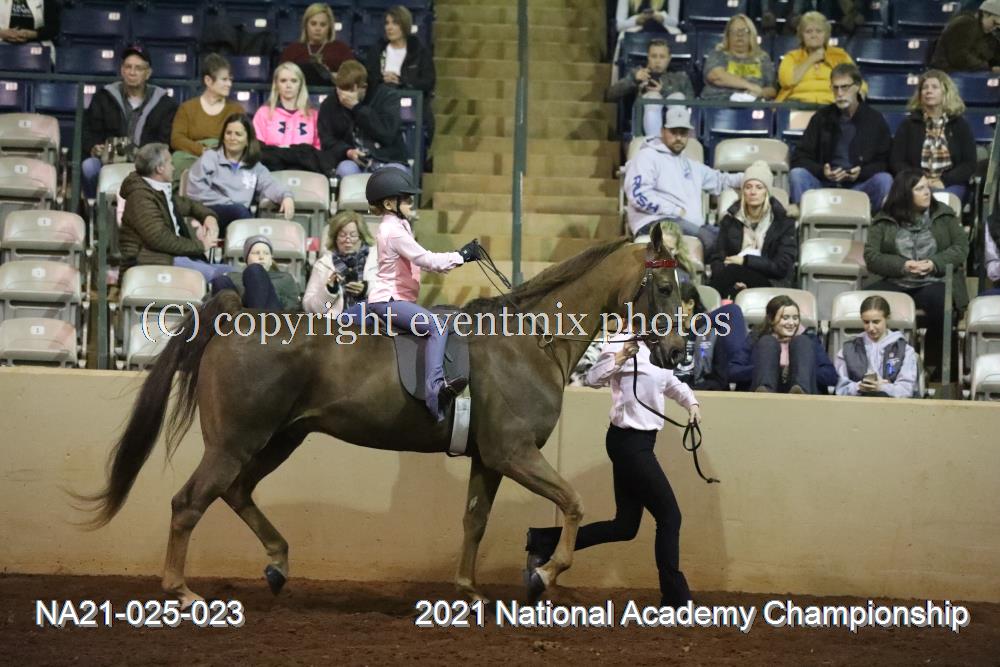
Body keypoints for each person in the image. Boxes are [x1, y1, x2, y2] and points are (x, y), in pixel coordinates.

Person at [524, 326, 701, 609]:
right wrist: (620, 357)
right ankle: (675, 599)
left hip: (641, 444)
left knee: (625, 526)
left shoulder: (658, 344)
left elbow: (669, 382)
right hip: (628, 443)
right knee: (670, 517)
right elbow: (593, 378)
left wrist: (691, 403)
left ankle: (544, 541)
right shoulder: (620, 340)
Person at [364, 168, 479, 421]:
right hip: (389, 302)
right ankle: (435, 391)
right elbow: (425, 259)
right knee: (438, 326)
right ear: (389, 204)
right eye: (405, 198)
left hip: (394, 300)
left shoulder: (399, 225)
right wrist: (461, 256)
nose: (410, 202)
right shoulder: (393, 231)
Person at [864, 170, 969, 380]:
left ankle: (935, 366)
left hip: (933, 280)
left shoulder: (944, 215)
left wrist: (933, 263)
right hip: (896, 280)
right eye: (919, 188)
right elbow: (872, 256)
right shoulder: (884, 219)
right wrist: (902, 265)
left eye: (927, 187)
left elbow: (961, 247)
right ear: (905, 193)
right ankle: (877, 364)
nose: (927, 192)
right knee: (868, 302)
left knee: (942, 303)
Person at [624, 104, 743, 255]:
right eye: (674, 132)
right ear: (662, 131)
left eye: (683, 133)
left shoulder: (691, 165)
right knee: (711, 241)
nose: (679, 138)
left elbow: (721, 180)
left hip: (689, 225)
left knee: (732, 238)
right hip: (656, 222)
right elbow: (638, 195)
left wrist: (750, 177)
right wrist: (674, 210)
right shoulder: (647, 156)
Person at [788, 63, 893, 213]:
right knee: (797, 175)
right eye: (835, 88)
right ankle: (803, 222)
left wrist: (861, 173)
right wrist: (822, 172)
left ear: (857, 86)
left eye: (845, 87)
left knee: (884, 180)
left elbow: (884, 162)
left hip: (859, 186)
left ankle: (875, 223)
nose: (839, 93)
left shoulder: (875, 120)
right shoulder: (821, 118)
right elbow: (800, 157)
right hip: (824, 184)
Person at [118, 143, 227, 283]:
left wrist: (208, 217)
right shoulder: (140, 198)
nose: (173, 168)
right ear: (160, 168)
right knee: (223, 278)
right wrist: (201, 246)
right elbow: (161, 239)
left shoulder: (156, 190)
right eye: (170, 163)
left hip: (172, 257)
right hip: (154, 261)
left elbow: (188, 205)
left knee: (233, 273)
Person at [81, 45, 178, 199]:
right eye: (128, 67)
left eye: (138, 68)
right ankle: (95, 210)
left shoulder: (164, 103)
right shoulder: (104, 97)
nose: (132, 72)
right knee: (89, 167)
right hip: (108, 161)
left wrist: (142, 155)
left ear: (148, 73)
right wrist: (94, 147)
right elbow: (89, 132)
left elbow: (164, 141)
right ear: (122, 70)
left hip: (147, 164)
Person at [185, 113, 295, 233]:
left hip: (240, 216)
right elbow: (195, 191)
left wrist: (286, 196)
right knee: (239, 211)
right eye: (228, 133)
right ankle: (253, 240)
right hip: (208, 213)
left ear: (248, 140)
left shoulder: (254, 166)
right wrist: (229, 203)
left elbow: (270, 184)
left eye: (238, 134)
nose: (232, 138)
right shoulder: (210, 158)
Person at [708, 161, 797, 299]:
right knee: (732, 280)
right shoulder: (730, 220)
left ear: (767, 191)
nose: (753, 192)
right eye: (748, 187)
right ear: (743, 191)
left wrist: (745, 261)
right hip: (732, 278)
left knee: (733, 271)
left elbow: (781, 267)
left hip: (770, 281)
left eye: (759, 187)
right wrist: (735, 278)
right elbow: (717, 258)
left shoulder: (784, 223)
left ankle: (701, 309)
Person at [890, 70, 978, 204]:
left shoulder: (960, 125)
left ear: (945, 92)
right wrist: (919, 180)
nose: (928, 91)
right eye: (925, 88)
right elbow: (897, 161)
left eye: (934, 87)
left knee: (942, 201)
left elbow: (969, 164)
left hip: (950, 184)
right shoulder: (908, 125)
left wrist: (943, 181)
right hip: (916, 184)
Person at [318, 60, 409, 178]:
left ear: (364, 87)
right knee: (346, 169)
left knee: (394, 175)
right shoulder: (330, 104)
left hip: (387, 159)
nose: (344, 96)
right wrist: (347, 151)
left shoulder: (387, 96)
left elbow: (387, 134)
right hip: (352, 160)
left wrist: (357, 108)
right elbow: (327, 141)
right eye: (341, 90)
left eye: (351, 91)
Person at [363, 5, 436, 145]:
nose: (389, 27)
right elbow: (368, 78)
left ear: (404, 25)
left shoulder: (419, 51)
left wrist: (401, 81)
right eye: (387, 23)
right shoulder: (377, 50)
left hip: (410, 106)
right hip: (382, 105)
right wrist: (382, 79)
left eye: (395, 23)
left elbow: (428, 82)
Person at [170, 53, 245, 181]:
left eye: (230, 80)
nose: (229, 84)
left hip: (224, 157)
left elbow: (244, 138)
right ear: (208, 81)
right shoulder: (187, 108)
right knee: (177, 159)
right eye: (224, 79)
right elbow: (177, 139)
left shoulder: (236, 109)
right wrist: (202, 150)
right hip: (194, 156)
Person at [254, 62, 338, 176]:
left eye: (294, 81)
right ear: (276, 84)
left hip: (306, 172)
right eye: (283, 81)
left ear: (300, 84)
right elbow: (258, 149)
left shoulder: (314, 115)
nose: (288, 85)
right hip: (272, 170)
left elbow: (318, 151)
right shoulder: (263, 113)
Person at [748, 295, 837, 394]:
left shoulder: (810, 339)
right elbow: (736, 371)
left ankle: (799, 392)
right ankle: (764, 394)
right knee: (767, 342)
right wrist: (767, 370)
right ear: (771, 319)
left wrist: (800, 370)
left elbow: (831, 376)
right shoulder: (755, 338)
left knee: (801, 341)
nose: (791, 323)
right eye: (785, 318)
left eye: (795, 318)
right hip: (761, 395)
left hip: (805, 396)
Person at [835, 295, 918, 398]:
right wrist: (859, 387)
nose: (871, 328)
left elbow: (907, 390)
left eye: (876, 322)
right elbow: (840, 389)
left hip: (893, 405)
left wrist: (883, 387)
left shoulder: (905, 350)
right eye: (866, 322)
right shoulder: (848, 350)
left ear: (887, 318)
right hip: (857, 404)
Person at [607, 39, 694, 137]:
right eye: (654, 56)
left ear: (669, 58)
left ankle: (676, 136)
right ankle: (654, 141)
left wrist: (663, 91)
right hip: (641, 126)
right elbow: (611, 95)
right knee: (653, 97)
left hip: (676, 126)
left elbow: (692, 104)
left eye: (662, 57)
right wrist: (634, 80)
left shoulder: (680, 78)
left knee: (677, 96)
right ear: (648, 57)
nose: (657, 61)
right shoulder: (638, 73)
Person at [303, 211, 378, 316]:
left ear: (362, 237)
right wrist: (329, 291)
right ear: (335, 238)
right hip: (335, 322)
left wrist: (367, 289)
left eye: (353, 235)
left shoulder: (378, 259)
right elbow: (311, 309)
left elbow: (394, 297)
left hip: (371, 320)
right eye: (342, 235)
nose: (347, 240)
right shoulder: (323, 264)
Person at [776, 11, 861, 104]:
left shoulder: (840, 56)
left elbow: (858, 83)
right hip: (796, 105)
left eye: (819, 31)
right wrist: (811, 59)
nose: (814, 35)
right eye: (808, 32)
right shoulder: (792, 57)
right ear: (801, 35)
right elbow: (787, 81)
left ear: (826, 34)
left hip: (832, 106)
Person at [211, 235, 300, 311]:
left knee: (254, 271)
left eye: (266, 253)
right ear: (246, 258)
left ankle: (255, 322)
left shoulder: (284, 277)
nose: (261, 257)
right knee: (220, 281)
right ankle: (230, 324)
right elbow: (209, 300)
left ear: (271, 260)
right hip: (239, 316)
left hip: (272, 316)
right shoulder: (233, 277)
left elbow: (293, 304)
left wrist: (263, 291)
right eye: (256, 253)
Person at [700, 14, 777, 102]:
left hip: (752, 105)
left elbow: (772, 90)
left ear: (751, 34)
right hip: (719, 103)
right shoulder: (718, 54)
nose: (739, 34)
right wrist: (750, 86)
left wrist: (761, 93)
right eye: (734, 31)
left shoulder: (763, 58)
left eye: (744, 30)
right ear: (727, 36)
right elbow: (716, 76)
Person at [278, 3, 354, 87]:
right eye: (313, 24)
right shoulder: (292, 50)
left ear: (329, 27)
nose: (318, 28)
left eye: (323, 25)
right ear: (306, 25)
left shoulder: (341, 50)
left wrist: (333, 76)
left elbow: (354, 77)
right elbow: (280, 78)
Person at [930, 0, 1000, 73]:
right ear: (986, 14)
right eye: (995, 23)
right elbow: (959, 57)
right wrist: (989, 67)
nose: (995, 28)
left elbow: (994, 57)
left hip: (971, 72)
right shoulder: (965, 24)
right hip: (949, 72)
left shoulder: (990, 33)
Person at [614, 0, 681, 35]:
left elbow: (675, 23)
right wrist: (636, 21)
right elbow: (619, 26)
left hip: (662, 34)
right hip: (635, 35)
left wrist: (663, 19)